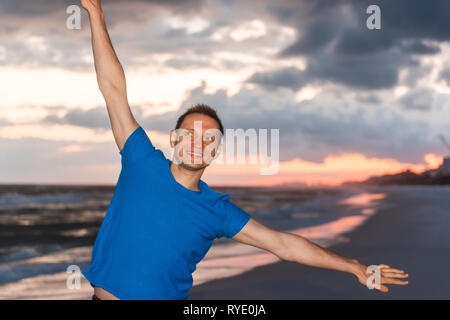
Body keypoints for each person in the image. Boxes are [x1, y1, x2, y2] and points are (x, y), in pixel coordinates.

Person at [80, 0, 409, 300]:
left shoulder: (217, 211)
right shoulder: (141, 161)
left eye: (210, 139)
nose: (199, 142)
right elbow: (113, 89)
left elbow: (283, 244)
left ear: (216, 152)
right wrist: (96, 14)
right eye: (191, 134)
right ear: (174, 139)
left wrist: (353, 266)